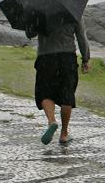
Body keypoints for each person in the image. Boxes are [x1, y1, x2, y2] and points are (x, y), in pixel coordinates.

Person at [33, 17, 91, 145]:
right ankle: (64, 134)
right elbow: (81, 36)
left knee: (45, 92)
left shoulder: (40, 10)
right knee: (67, 95)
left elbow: (30, 33)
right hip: (67, 58)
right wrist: (85, 58)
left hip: (45, 58)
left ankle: (52, 121)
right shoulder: (73, 11)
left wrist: (35, 23)